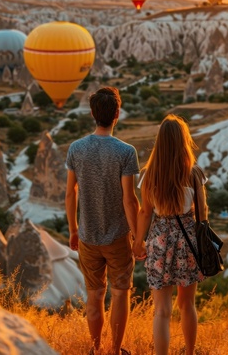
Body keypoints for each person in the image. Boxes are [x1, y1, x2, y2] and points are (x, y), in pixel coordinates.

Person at [65, 87, 140, 355]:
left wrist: (74, 230)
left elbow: (70, 193)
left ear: (93, 113)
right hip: (118, 236)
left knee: (94, 294)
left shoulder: (76, 149)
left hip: (87, 236)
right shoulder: (126, 152)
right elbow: (129, 200)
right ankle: (115, 350)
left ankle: (96, 350)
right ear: (117, 113)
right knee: (120, 293)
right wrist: (138, 237)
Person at [133, 114, 208, 355]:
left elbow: (145, 212)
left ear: (160, 142)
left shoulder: (149, 174)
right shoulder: (194, 173)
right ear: (183, 141)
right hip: (188, 240)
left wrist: (138, 242)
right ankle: (189, 352)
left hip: (159, 240)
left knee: (161, 311)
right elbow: (203, 212)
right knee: (187, 305)